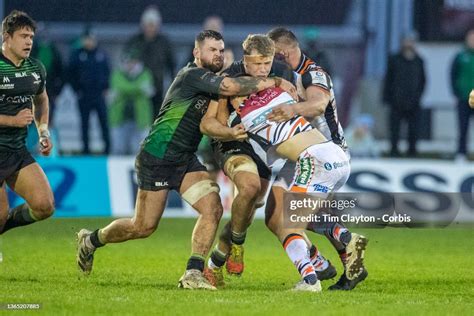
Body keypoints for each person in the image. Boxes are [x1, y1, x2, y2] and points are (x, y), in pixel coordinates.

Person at [76, 30, 296, 290]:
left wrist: (232, 130)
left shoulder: (214, 81)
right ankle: (91, 240)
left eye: (220, 49)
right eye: (211, 49)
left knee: (213, 207)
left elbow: (209, 122)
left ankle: (193, 273)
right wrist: (273, 82)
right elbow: (231, 87)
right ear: (196, 53)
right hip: (158, 156)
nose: (217, 54)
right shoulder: (191, 75)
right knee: (143, 226)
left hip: (185, 159)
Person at [268, 27, 368, 291]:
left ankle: (321, 264)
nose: (268, 62)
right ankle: (338, 258)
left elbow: (318, 105)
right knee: (273, 213)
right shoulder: (283, 75)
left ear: (284, 52)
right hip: (302, 155)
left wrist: (289, 109)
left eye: (271, 56)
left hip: (325, 154)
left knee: (292, 217)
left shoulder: (313, 73)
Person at [201, 34, 296, 286]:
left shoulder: (282, 72)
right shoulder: (227, 78)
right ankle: (239, 246)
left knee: (249, 209)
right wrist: (230, 130)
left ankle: (213, 266)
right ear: (245, 60)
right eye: (257, 64)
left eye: (267, 64)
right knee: (250, 187)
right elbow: (208, 123)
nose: (263, 69)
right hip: (232, 143)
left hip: (263, 147)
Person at [0, 11, 54, 236]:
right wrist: (13, 120)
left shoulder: (35, 69)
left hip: (16, 150)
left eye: (31, 37)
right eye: (23, 36)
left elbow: (41, 100)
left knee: (44, 205)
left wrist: (43, 132)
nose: (29, 41)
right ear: (7, 37)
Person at [126, 6, 175, 118]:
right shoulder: (134, 41)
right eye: (148, 25)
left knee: (156, 120)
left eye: (153, 25)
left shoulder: (164, 43)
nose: (150, 28)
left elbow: (171, 65)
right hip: (137, 91)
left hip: (158, 89)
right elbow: (126, 62)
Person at [69, 27, 111, 155]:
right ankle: (85, 150)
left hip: (99, 95)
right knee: (85, 124)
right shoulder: (78, 55)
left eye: (91, 39)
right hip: (84, 95)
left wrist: (106, 88)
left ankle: (107, 149)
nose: (89, 42)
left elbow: (107, 72)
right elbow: (71, 74)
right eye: (87, 39)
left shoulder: (101, 54)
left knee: (103, 122)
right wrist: (77, 90)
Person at [383, 34, 426, 157]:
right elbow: (388, 79)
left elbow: (423, 80)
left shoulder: (419, 60)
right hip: (396, 101)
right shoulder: (394, 59)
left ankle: (412, 152)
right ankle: (394, 151)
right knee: (394, 129)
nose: (408, 44)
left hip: (414, 101)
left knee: (414, 129)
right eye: (406, 41)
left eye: (410, 41)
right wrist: (388, 98)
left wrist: (418, 96)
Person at [108, 50, 154, 155]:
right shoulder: (117, 74)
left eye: (133, 62)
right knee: (118, 149)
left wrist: (124, 90)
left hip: (140, 119)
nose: (130, 65)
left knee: (138, 150)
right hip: (120, 119)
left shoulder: (145, 73)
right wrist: (138, 89)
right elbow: (118, 86)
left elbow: (122, 88)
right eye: (128, 62)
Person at [451, 29, 474, 161]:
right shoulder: (460, 56)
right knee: (463, 127)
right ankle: (461, 153)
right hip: (464, 98)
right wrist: (456, 92)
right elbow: (453, 75)